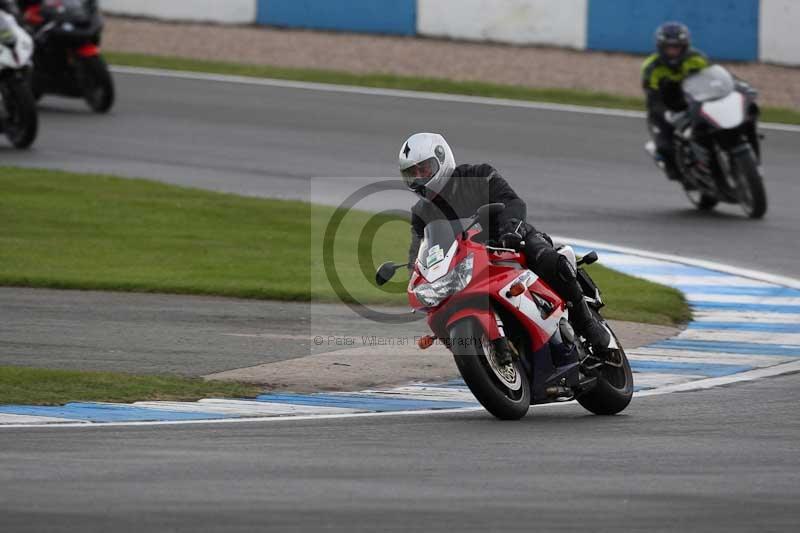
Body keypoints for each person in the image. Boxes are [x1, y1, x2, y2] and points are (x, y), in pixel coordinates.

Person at [399, 132, 611, 364]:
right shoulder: (421, 213)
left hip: (508, 243)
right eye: (413, 174)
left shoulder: (478, 175)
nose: (419, 177)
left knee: (550, 261)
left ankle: (588, 325)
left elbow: (512, 201)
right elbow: (419, 251)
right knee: (442, 305)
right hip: (466, 266)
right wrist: (417, 276)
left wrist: (511, 230)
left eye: (424, 169)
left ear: (442, 158)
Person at [641, 22, 709, 182]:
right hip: (665, 107)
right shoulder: (651, 66)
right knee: (665, 145)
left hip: (696, 102)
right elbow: (652, 96)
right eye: (669, 48)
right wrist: (664, 113)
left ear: (685, 46)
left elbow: (713, 79)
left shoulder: (697, 59)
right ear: (660, 47)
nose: (673, 52)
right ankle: (675, 169)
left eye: (677, 47)